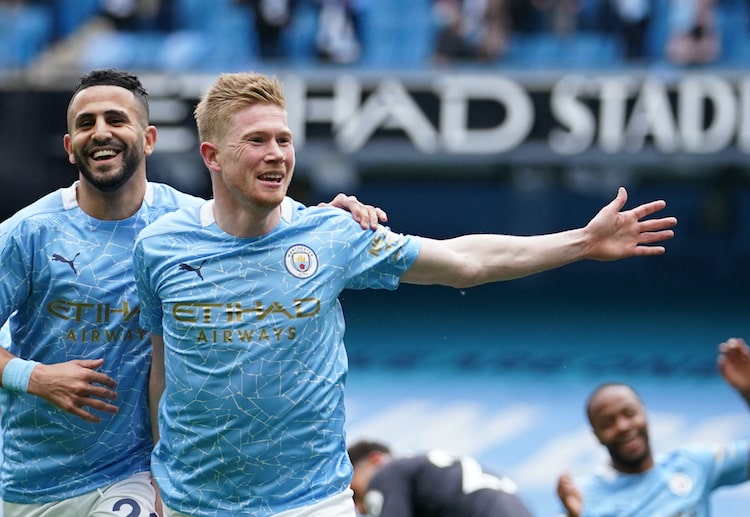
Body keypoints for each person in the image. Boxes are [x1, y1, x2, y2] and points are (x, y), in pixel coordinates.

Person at [133, 71, 677, 517]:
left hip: (309, 504)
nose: (277, 154)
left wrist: (581, 241)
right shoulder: (159, 247)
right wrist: (156, 475)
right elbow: (163, 369)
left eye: (284, 139)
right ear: (211, 156)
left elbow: (466, 262)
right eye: (256, 141)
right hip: (192, 504)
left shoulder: (333, 233)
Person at [0, 68, 386, 517]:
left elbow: (277, 223)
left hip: (135, 473)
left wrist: (332, 218)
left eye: (116, 119)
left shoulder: (186, 223)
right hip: (34, 478)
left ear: (148, 139)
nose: (101, 131)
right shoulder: (28, 233)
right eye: (86, 123)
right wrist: (33, 377)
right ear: (70, 148)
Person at [556, 337, 750, 517]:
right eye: (608, 423)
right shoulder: (584, 495)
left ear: (645, 413)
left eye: (629, 413)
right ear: (596, 435)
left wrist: (748, 390)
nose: (623, 426)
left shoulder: (693, 463)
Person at [347, 440, 534, 516]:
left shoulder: (387, 472)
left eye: (355, 494)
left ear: (376, 460)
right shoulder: (426, 474)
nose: (360, 508)